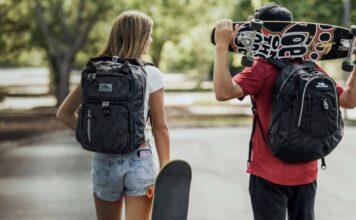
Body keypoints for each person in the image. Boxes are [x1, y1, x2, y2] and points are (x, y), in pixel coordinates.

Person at [213, 3, 356, 220]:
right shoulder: (311, 66)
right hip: (307, 170)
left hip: (268, 173)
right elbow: (348, 100)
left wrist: (221, 47)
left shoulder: (262, 67)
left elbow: (223, 92)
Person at [56, 10, 170, 220]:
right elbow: (160, 127)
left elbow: (64, 113)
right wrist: (166, 169)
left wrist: (94, 134)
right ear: (139, 38)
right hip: (139, 159)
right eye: (148, 34)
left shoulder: (95, 72)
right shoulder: (151, 74)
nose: (151, 39)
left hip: (103, 161)